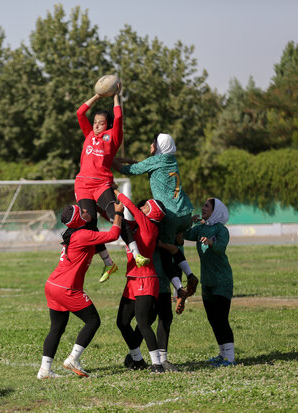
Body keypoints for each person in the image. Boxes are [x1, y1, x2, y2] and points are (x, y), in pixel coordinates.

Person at [37, 201, 125, 379]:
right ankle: (73, 359)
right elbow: (114, 234)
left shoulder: (73, 234)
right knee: (93, 321)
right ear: (78, 218)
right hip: (67, 288)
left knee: (57, 327)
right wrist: (118, 213)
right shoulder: (83, 234)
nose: (86, 211)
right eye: (82, 211)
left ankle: (44, 370)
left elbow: (86, 251)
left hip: (53, 285)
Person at [114, 133, 199, 313]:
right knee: (176, 247)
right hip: (184, 213)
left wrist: (105, 159)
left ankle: (166, 291)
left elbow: (127, 170)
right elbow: (140, 164)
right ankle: (188, 275)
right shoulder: (170, 159)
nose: (150, 146)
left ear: (158, 145)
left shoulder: (156, 160)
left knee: (162, 253)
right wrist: (127, 159)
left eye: (152, 143)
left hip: (170, 216)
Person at [75, 85, 148, 284]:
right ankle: (108, 263)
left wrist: (116, 96)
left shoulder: (112, 138)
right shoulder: (89, 134)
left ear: (107, 126)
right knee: (89, 225)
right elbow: (80, 112)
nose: (97, 125)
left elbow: (118, 118)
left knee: (115, 214)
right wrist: (98, 95)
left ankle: (136, 253)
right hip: (82, 185)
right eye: (95, 122)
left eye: (101, 123)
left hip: (101, 185)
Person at [112, 190, 168, 373]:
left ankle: (157, 364)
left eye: (146, 206)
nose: (142, 207)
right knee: (122, 322)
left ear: (152, 212)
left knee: (143, 323)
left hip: (145, 279)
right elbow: (115, 217)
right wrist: (100, 204)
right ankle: (137, 359)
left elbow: (131, 207)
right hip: (132, 280)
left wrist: (114, 190)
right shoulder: (136, 225)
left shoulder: (149, 226)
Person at [183, 198, 236, 367]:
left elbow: (220, 248)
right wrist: (188, 222)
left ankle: (230, 358)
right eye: (203, 204)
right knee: (213, 319)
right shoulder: (200, 229)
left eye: (207, 205)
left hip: (222, 280)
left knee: (221, 319)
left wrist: (211, 242)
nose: (203, 207)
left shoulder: (222, 230)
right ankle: (222, 355)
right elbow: (183, 234)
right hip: (207, 282)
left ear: (216, 210)